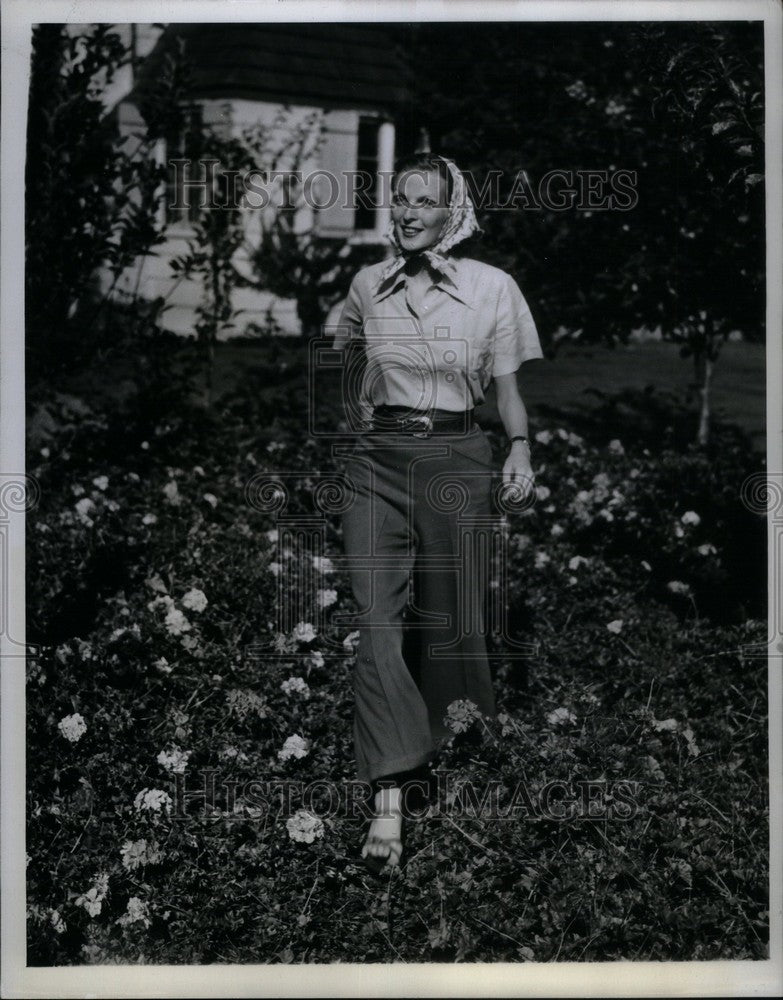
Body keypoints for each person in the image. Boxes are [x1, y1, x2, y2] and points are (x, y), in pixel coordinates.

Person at [332, 152, 543, 873]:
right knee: (375, 624)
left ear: (453, 211)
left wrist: (517, 449)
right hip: (376, 465)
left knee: (452, 620)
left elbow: (506, 388)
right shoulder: (366, 285)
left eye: (424, 200)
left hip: (457, 461)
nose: (409, 212)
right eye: (399, 200)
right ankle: (388, 803)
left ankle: (458, 754)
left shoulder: (492, 289)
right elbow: (354, 378)